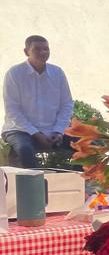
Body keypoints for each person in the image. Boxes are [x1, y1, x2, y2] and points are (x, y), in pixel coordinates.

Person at [2, 35, 73, 168]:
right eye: (37, 49)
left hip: (53, 130)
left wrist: (58, 131)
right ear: (26, 51)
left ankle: (81, 182)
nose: (42, 52)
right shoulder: (14, 74)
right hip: (20, 130)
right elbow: (13, 110)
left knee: (87, 145)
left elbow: (67, 104)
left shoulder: (57, 73)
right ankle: (33, 186)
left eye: (46, 49)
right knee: (25, 150)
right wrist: (36, 134)